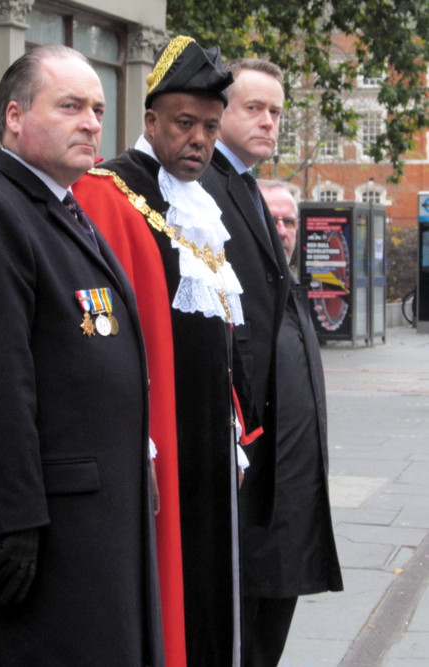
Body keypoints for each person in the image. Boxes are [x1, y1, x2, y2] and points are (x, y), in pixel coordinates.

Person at [0, 45, 164, 667]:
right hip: (54, 524)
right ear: (14, 116)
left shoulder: (65, 207)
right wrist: (15, 521)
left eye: (96, 107)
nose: (92, 121)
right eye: (69, 106)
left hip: (102, 509)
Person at [73, 36, 261, 667]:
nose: (199, 141)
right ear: (150, 120)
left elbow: (218, 332)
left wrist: (233, 421)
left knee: (213, 583)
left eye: (210, 127)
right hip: (155, 435)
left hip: (208, 433)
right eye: (185, 124)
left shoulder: (204, 206)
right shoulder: (106, 193)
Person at [239, 179, 343, 666]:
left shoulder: (293, 291)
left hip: (296, 508)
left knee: (269, 644)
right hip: (252, 510)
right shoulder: (237, 297)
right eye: (271, 219)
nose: (281, 230)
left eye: (289, 222)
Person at [201, 59, 290, 534]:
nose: (268, 122)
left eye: (276, 112)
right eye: (254, 107)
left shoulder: (249, 186)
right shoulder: (202, 186)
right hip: (233, 418)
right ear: (222, 110)